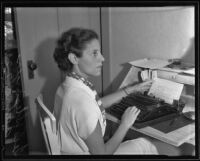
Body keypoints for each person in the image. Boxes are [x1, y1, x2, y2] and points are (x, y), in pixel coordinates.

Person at [53, 27, 158, 155]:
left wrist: (128, 90)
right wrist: (125, 124)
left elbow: (95, 104)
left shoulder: (67, 85)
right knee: (146, 145)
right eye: (94, 53)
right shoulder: (82, 103)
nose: (102, 58)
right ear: (74, 58)